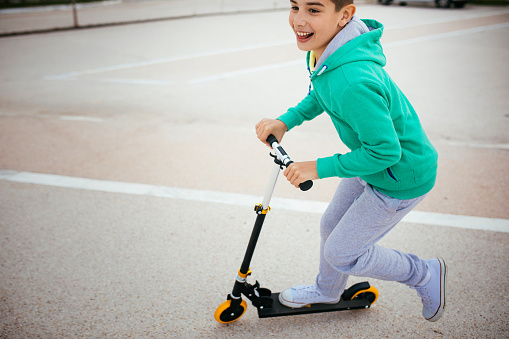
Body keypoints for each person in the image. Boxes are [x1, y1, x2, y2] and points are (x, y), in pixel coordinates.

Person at [255, 0, 447, 322]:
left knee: (341, 252)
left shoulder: (354, 79)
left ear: (344, 15)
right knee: (330, 226)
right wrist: (286, 121)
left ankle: (424, 273)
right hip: (371, 163)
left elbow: (386, 152)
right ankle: (328, 290)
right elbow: (321, 91)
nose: (299, 20)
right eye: (294, 6)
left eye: (313, 10)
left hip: (400, 177)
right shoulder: (330, 49)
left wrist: (316, 168)